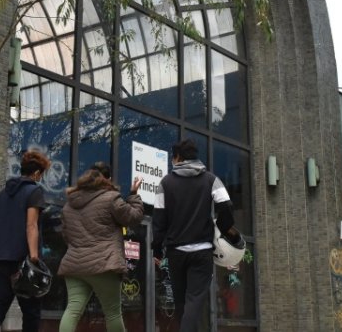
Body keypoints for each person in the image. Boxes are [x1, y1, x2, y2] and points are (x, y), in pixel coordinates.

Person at [151, 138, 241, 332]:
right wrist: (222, 228)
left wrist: (156, 249)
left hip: (176, 253)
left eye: (173, 157)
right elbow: (227, 206)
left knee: (181, 303)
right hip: (202, 253)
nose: (172, 161)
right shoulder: (211, 179)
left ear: (178, 157)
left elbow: (158, 220)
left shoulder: (165, 183)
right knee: (194, 301)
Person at [57, 162, 145, 332]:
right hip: (104, 264)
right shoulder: (111, 198)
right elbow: (133, 217)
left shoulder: (69, 205)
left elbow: (66, 236)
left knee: (72, 310)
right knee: (113, 313)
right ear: (108, 179)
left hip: (75, 265)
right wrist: (134, 194)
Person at [0, 150, 51, 332]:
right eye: (41, 174)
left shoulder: (3, 194)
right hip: (22, 259)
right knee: (31, 310)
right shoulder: (34, 191)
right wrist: (34, 257)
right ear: (37, 173)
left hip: (0, 258)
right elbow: (31, 225)